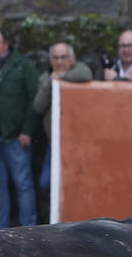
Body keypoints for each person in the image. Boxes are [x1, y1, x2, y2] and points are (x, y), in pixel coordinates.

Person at [0, 26, 40, 228]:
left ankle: (29, 230)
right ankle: (0, 232)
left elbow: (35, 99)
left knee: (23, 185)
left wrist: (27, 131)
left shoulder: (23, 66)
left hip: (16, 137)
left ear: (5, 44)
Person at [33, 41, 91, 191]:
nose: (59, 62)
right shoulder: (45, 78)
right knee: (46, 182)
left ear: (72, 59)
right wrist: (50, 83)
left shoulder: (79, 69)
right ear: (51, 60)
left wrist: (62, 77)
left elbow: (85, 74)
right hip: (54, 142)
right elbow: (38, 106)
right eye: (56, 58)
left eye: (64, 57)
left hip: (78, 140)